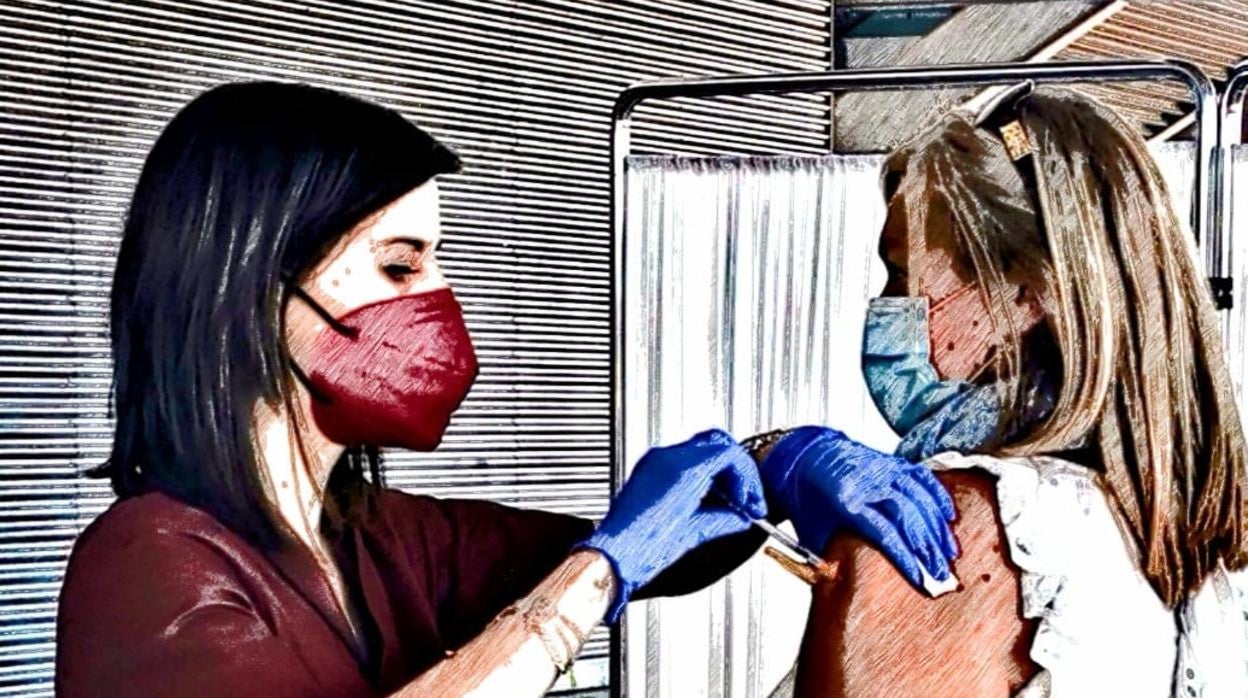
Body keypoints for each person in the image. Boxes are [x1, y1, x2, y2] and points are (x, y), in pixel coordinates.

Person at [52, 81, 957, 697]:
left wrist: (774, 461)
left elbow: (654, 547)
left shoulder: (383, 539)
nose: (441, 300)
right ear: (251, 290)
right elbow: (603, 565)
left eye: (436, 260)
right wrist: (593, 579)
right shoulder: (145, 568)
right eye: (400, 265)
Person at [792, 85, 1248, 696]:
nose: (887, 305)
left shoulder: (940, 535)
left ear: (1027, 293)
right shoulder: (1196, 546)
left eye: (901, 272)